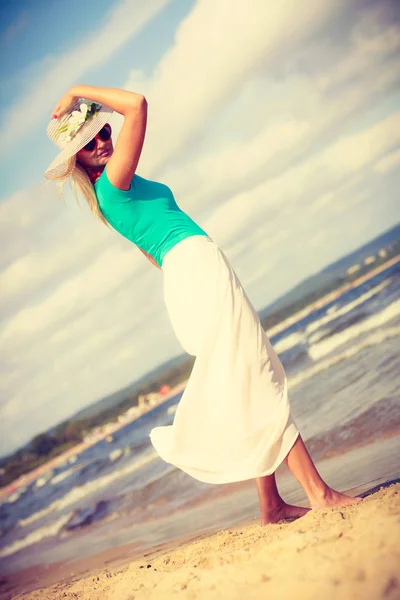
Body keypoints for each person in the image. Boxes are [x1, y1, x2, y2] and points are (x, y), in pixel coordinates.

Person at [44, 85, 362, 525]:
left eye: (102, 131)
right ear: (77, 159)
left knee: (248, 375)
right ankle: (319, 493)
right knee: (260, 375)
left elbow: (150, 250)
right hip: (196, 269)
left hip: (190, 271)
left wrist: (189, 272)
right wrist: (77, 90)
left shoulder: (115, 193)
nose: (102, 141)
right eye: (89, 142)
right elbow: (137, 104)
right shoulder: (114, 182)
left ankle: (271, 505)